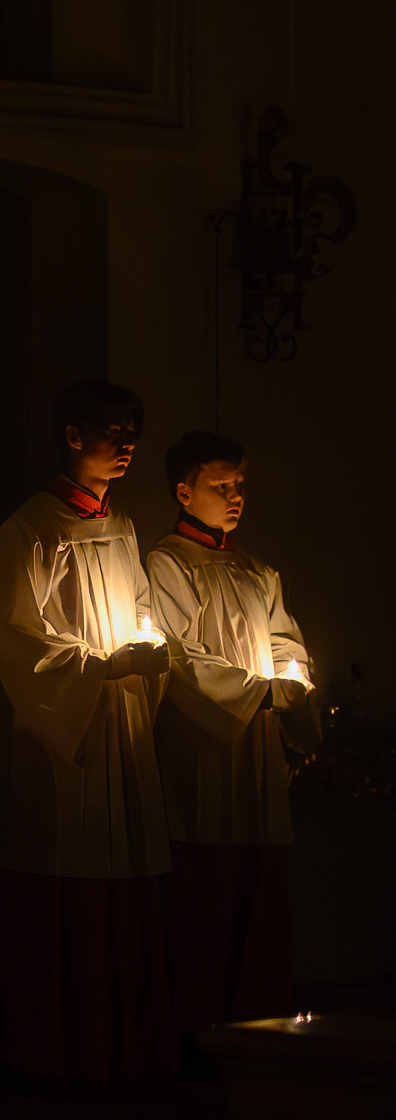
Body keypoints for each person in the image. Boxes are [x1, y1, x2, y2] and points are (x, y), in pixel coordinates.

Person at [0, 378, 175, 1081]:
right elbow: (15, 641)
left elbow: (144, 612)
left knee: (121, 877)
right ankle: (64, 1055)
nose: (128, 444)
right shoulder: (29, 531)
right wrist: (102, 666)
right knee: (67, 880)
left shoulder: (121, 528)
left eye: (133, 431)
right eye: (113, 430)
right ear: (72, 436)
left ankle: (124, 1049)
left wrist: (150, 649)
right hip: (61, 739)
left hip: (119, 727)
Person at [147, 432, 317, 1031]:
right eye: (220, 485)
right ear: (184, 491)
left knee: (257, 891)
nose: (235, 495)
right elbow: (179, 659)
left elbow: (288, 645)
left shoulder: (257, 570)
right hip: (201, 750)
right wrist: (261, 692)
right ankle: (197, 1027)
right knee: (206, 895)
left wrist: (294, 685)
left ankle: (258, 1023)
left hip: (258, 749)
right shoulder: (167, 564)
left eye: (239, 483)